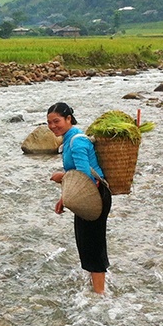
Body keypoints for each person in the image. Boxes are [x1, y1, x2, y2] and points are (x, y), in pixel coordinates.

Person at [47, 102, 112, 294]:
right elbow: (76, 177)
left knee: (94, 243)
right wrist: (64, 199)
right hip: (86, 196)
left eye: (56, 121)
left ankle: (99, 295)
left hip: (96, 195)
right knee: (85, 242)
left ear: (69, 119)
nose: (52, 126)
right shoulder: (68, 140)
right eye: (49, 122)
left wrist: (62, 177)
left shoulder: (77, 141)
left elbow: (84, 177)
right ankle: (95, 286)